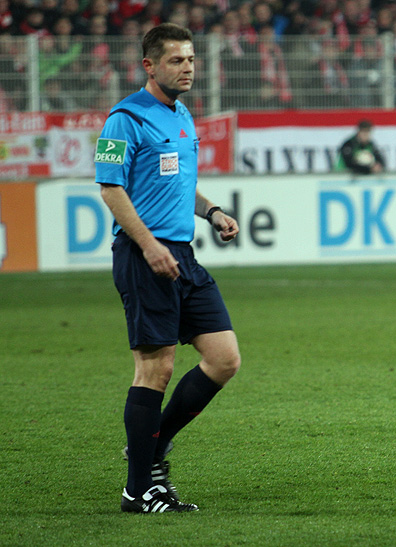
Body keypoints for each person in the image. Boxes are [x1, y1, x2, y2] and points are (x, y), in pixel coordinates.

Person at [94, 23, 242, 514]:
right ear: (149, 66)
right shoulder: (124, 118)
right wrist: (149, 245)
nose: (188, 68)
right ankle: (138, 489)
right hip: (144, 257)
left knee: (224, 358)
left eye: (191, 59)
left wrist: (212, 211)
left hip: (182, 255)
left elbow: (181, 184)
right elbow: (111, 189)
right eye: (177, 60)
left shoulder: (181, 115)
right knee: (155, 369)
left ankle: (151, 446)